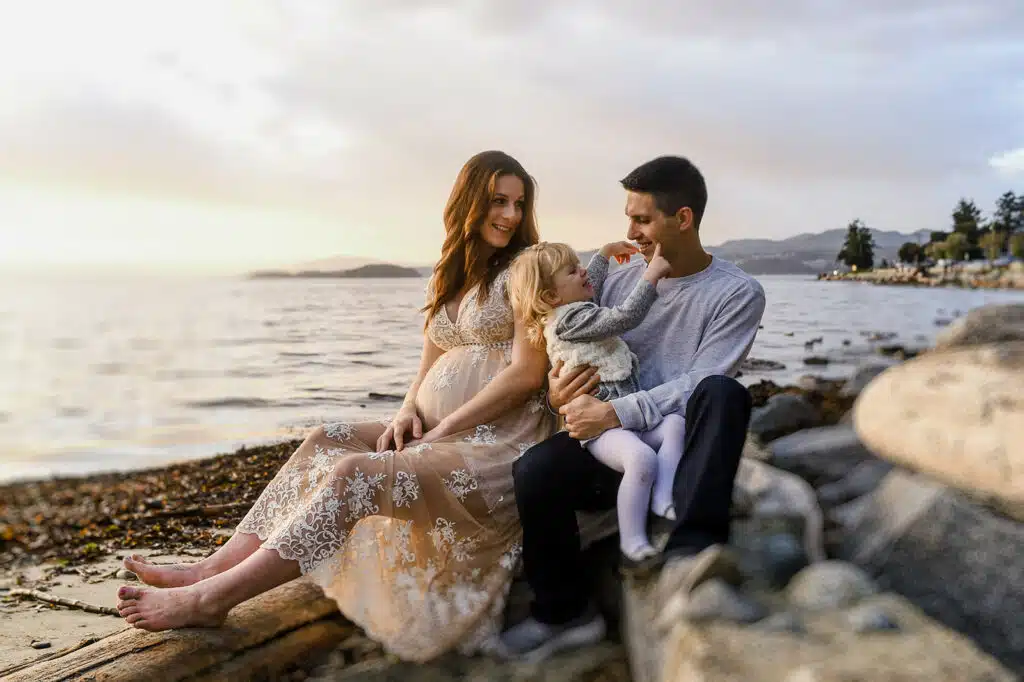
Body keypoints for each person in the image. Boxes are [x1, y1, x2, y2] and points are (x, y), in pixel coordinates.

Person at [114, 150, 558, 662]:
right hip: (440, 430)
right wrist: (406, 411)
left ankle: (212, 599)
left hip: (501, 445)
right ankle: (211, 567)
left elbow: (527, 374)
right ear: (468, 202)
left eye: (519, 204)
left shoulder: (527, 267)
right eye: (498, 201)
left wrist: (444, 428)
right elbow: (426, 368)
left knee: (353, 474)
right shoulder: (450, 274)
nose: (509, 215)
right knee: (325, 438)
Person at [500, 155, 766, 661]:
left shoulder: (737, 293)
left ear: (682, 219)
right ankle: (563, 614)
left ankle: (691, 550)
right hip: (613, 442)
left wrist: (620, 414)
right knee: (535, 469)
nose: (631, 231)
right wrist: (560, 396)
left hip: (678, 444)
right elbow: (570, 341)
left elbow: (700, 380)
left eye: (642, 219)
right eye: (629, 218)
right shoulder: (619, 280)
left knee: (724, 393)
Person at [507, 240, 684, 566]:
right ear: (550, 298)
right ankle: (633, 543)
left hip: (626, 413)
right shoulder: (568, 321)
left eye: (581, 264)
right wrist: (653, 275)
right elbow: (624, 317)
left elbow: (589, 286)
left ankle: (662, 496)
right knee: (642, 458)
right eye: (573, 270)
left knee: (676, 425)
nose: (584, 272)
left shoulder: (574, 308)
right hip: (600, 427)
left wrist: (602, 255)